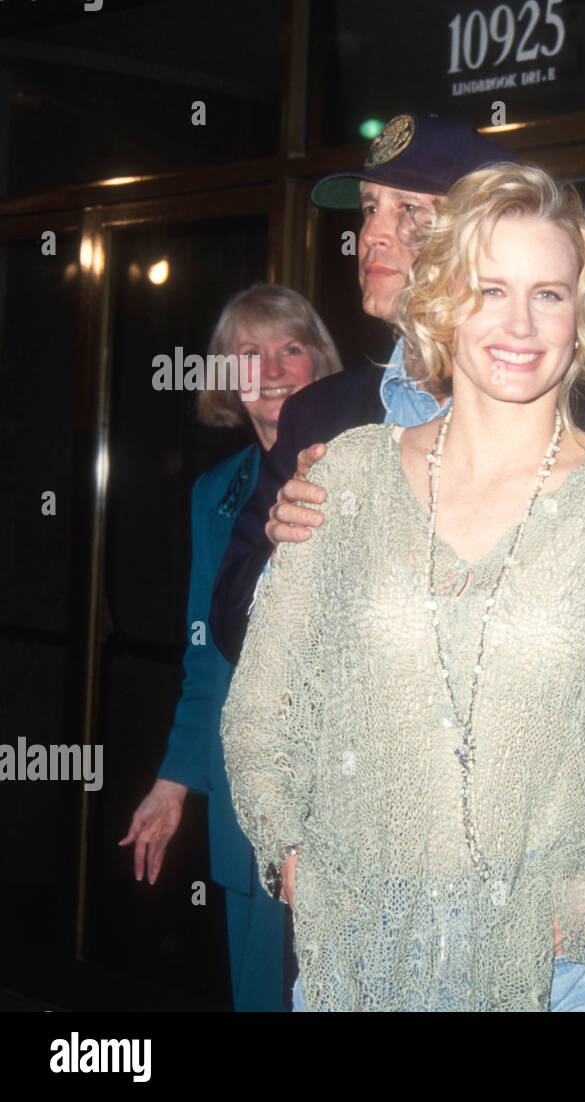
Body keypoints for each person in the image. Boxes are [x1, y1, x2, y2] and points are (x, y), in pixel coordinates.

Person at [221, 162, 585, 1012]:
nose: (520, 322)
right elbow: (264, 703)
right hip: (362, 958)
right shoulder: (344, 474)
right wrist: (293, 855)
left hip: (562, 978)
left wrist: (569, 921)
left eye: (550, 293)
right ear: (441, 302)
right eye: (489, 288)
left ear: (584, 315)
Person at [211, 113, 585, 664]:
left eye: (409, 210)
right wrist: (283, 554)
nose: (371, 234)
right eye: (370, 208)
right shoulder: (319, 419)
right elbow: (230, 631)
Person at [120, 285, 342, 1011]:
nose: (272, 368)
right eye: (249, 354)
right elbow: (206, 653)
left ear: (320, 362)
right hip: (249, 800)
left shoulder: (370, 466)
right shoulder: (217, 492)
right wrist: (173, 780)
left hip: (347, 798)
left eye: (290, 348)